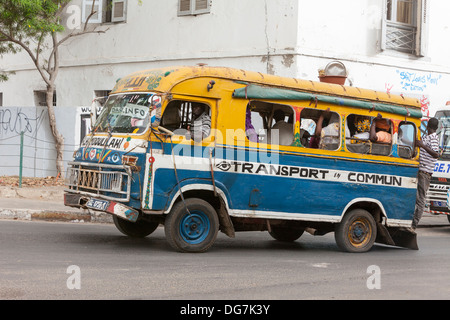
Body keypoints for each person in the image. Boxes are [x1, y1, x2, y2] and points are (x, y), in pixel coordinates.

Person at [411, 117, 440, 230]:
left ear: (428, 126)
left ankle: (414, 224)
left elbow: (436, 154)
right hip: (420, 171)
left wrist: (422, 145)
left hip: (425, 172)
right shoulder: (427, 136)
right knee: (416, 198)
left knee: (421, 200)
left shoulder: (433, 138)